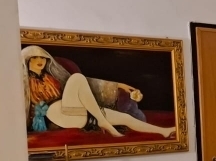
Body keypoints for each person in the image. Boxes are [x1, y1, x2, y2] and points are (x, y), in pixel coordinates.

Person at [22, 45, 176, 138]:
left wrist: (119, 85)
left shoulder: (53, 76)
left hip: (72, 111)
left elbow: (87, 83)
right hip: (55, 115)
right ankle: (102, 120)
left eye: (42, 57)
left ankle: (163, 131)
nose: (39, 60)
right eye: (34, 57)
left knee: (124, 117)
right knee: (77, 78)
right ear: (27, 60)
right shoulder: (23, 81)